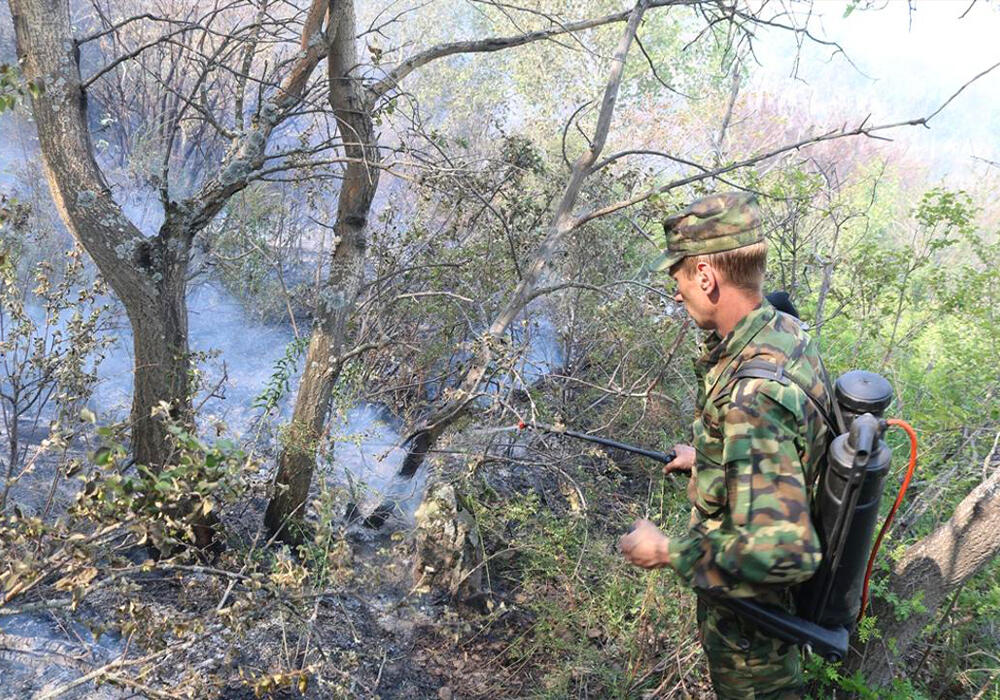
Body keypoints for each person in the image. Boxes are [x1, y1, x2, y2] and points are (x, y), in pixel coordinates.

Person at [618, 192, 832, 699]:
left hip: (753, 650)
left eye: (679, 278)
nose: (677, 294)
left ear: (707, 277)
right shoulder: (783, 331)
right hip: (753, 630)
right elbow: (786, 450)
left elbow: (786, 552)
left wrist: (667, 551)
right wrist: (712, 457)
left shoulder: (752, 398)